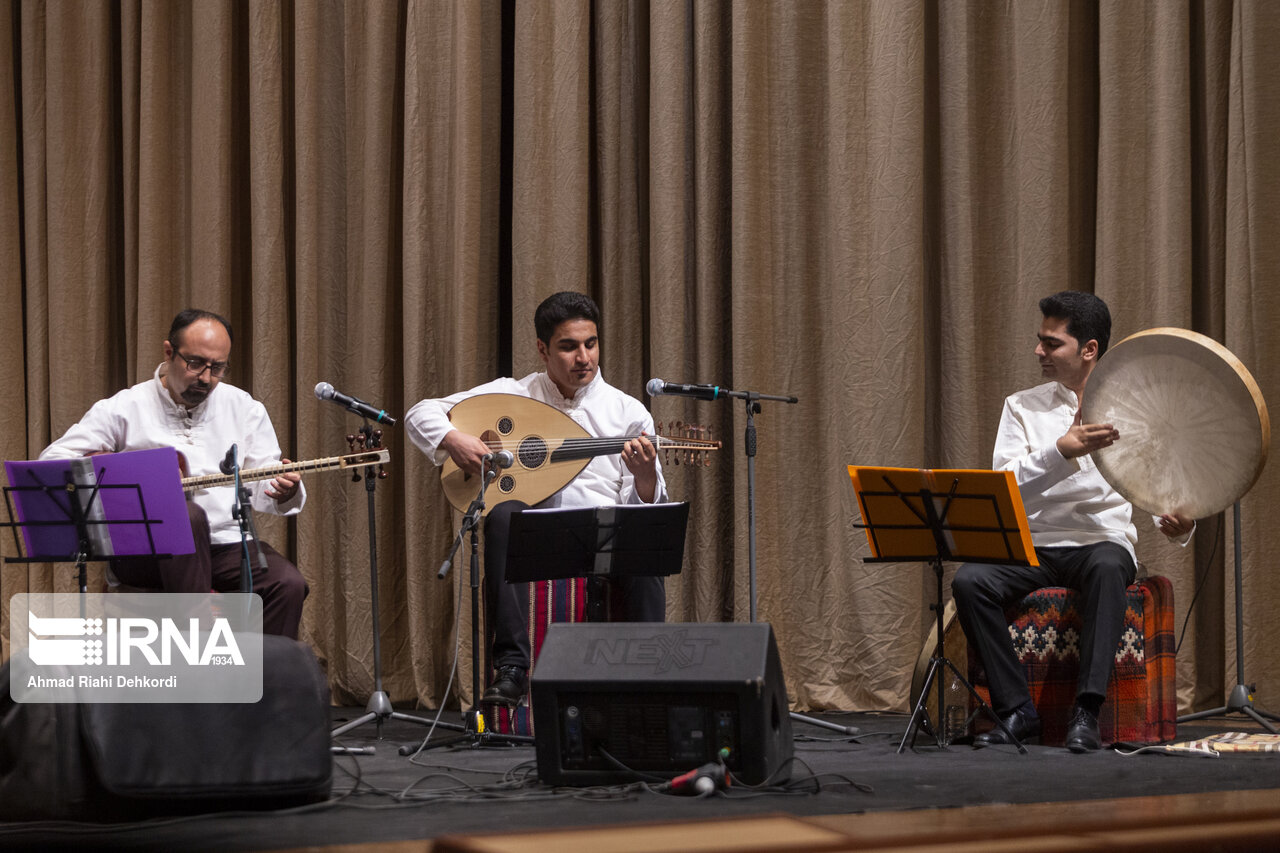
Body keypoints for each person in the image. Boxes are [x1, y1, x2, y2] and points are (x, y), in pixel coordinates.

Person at [952, 291, 1193, 752]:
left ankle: (1087, 711)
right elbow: (1002, 487)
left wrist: (1183, 525)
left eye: (1051, 343)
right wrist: (1060, 451)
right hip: (1035, 543)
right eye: (1040, 341)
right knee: (970, 581)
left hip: (1101, 540)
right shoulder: (1022, 407)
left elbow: (1168, 490)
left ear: (1089, 350)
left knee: (1107, 566)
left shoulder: (1137, 410)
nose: (1038, 351)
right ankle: (1017, 710)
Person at [406, 291, 666, 706]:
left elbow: (645, 506)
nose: (583, 357)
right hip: (539, 539)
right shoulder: (516, 393)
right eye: (568, 346)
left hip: (603, 534)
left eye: (591, 344)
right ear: (543, 350)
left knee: (644, 545)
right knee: (503, 514)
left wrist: (644, 475)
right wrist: (452, 438)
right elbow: (420, 413)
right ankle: (511, 668)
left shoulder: (628, 411)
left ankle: (649, 683)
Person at [39, 309, 309, 638]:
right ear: (169, 352)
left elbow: (262, 485)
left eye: (218, 367)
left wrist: (283, 490)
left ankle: (267, 688)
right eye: (195, 363)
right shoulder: (125, 407)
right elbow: (51, 461)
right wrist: (123, 472)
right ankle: (199, 651)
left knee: (288, 583)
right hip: (146, 550)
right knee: (183, 512)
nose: (206, 377)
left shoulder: (245, 409)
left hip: (224, 547)